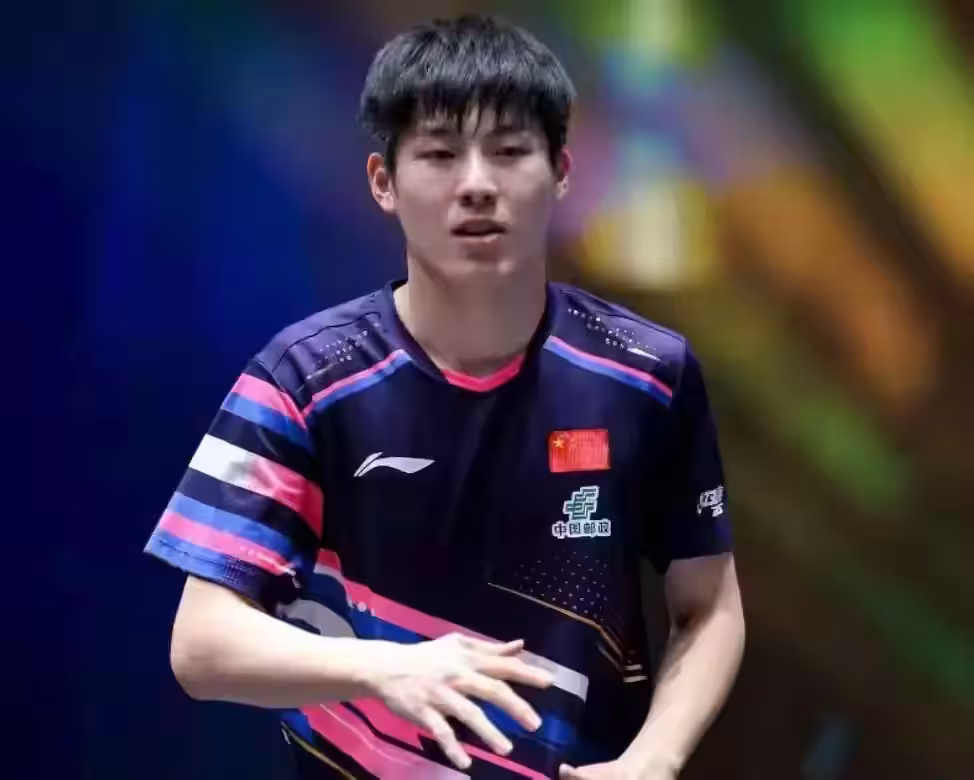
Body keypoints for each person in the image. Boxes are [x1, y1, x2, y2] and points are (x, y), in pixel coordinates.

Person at [145, 13, 745, 779]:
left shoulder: (647, 375)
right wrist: (385, 669)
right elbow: (201, 645)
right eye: (439, 154)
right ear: (383, 182)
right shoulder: (301, 379)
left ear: (562, 171)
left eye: (510, 151)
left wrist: (655, 759)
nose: (477, 185)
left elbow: (709, 606)